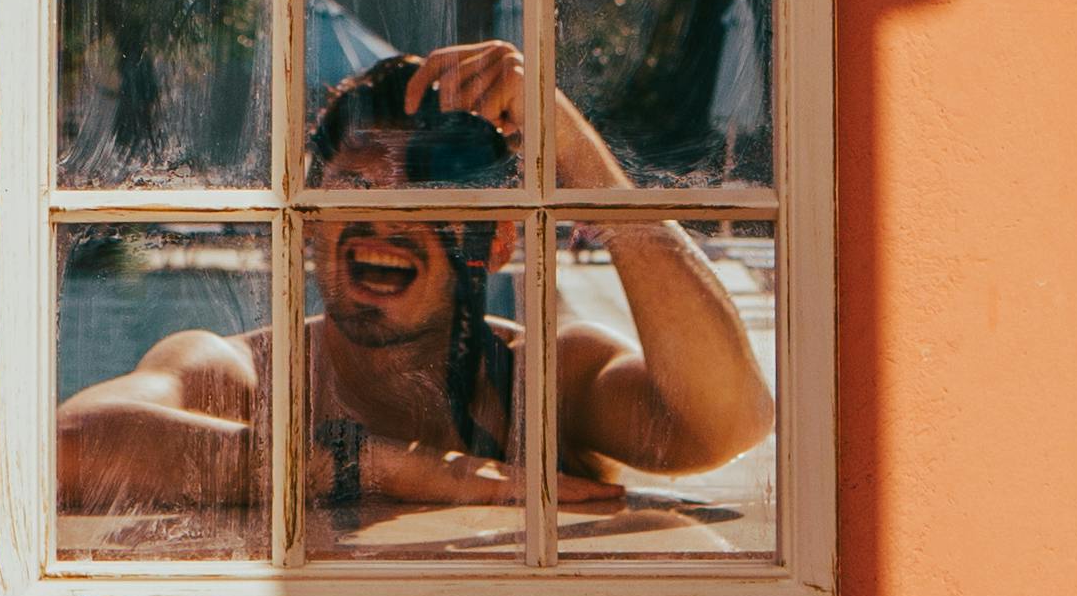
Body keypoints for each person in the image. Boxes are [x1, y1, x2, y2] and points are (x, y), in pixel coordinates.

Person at [55, 42, 773, 526]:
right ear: (310, 221)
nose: (382, 220)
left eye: (426, 196)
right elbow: (72, 442)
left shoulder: (543, 380)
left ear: (495, 240)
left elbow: (727, 421)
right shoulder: (240, 373)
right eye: (356, 186)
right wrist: (404, 470)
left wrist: (569, 141)